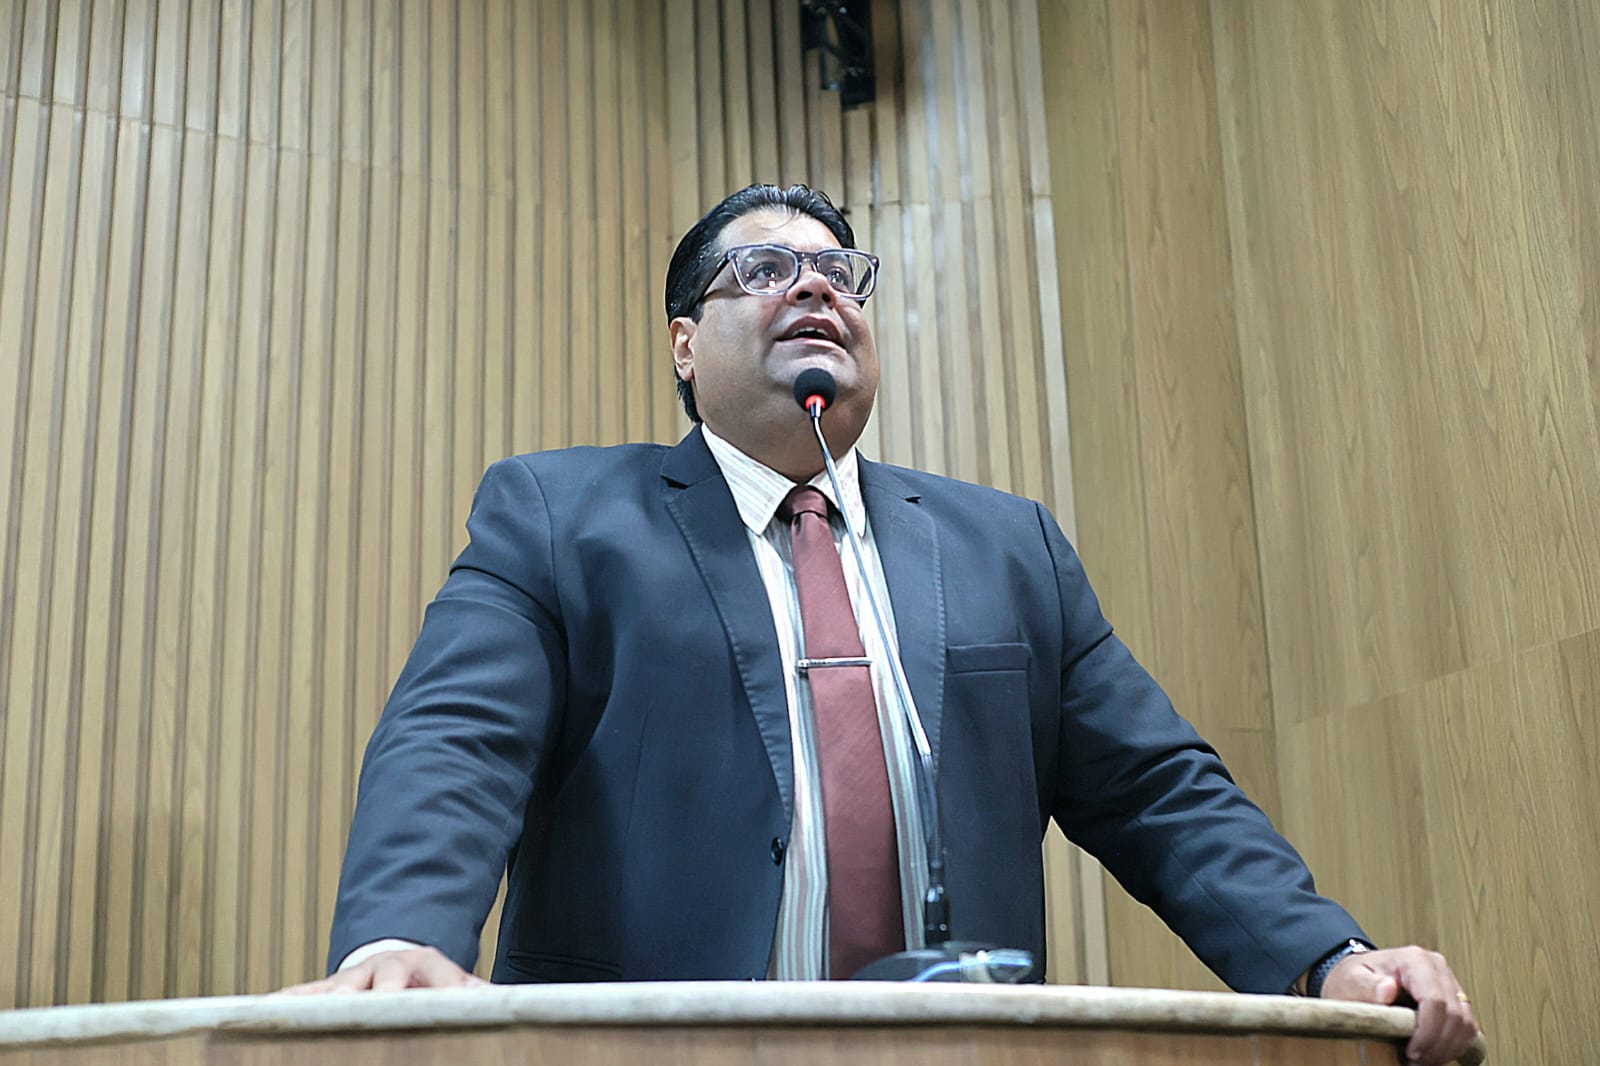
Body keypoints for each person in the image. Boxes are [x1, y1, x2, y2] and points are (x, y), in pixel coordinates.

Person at [287, 184, 1477, 1065]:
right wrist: (397, 940)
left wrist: (1327, 958)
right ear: (684, 346)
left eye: (840, 273)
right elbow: (455, 742)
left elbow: (1157, 790)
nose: (814, 286)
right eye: (762, 269)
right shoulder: (563, 517)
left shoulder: (1005, 545)